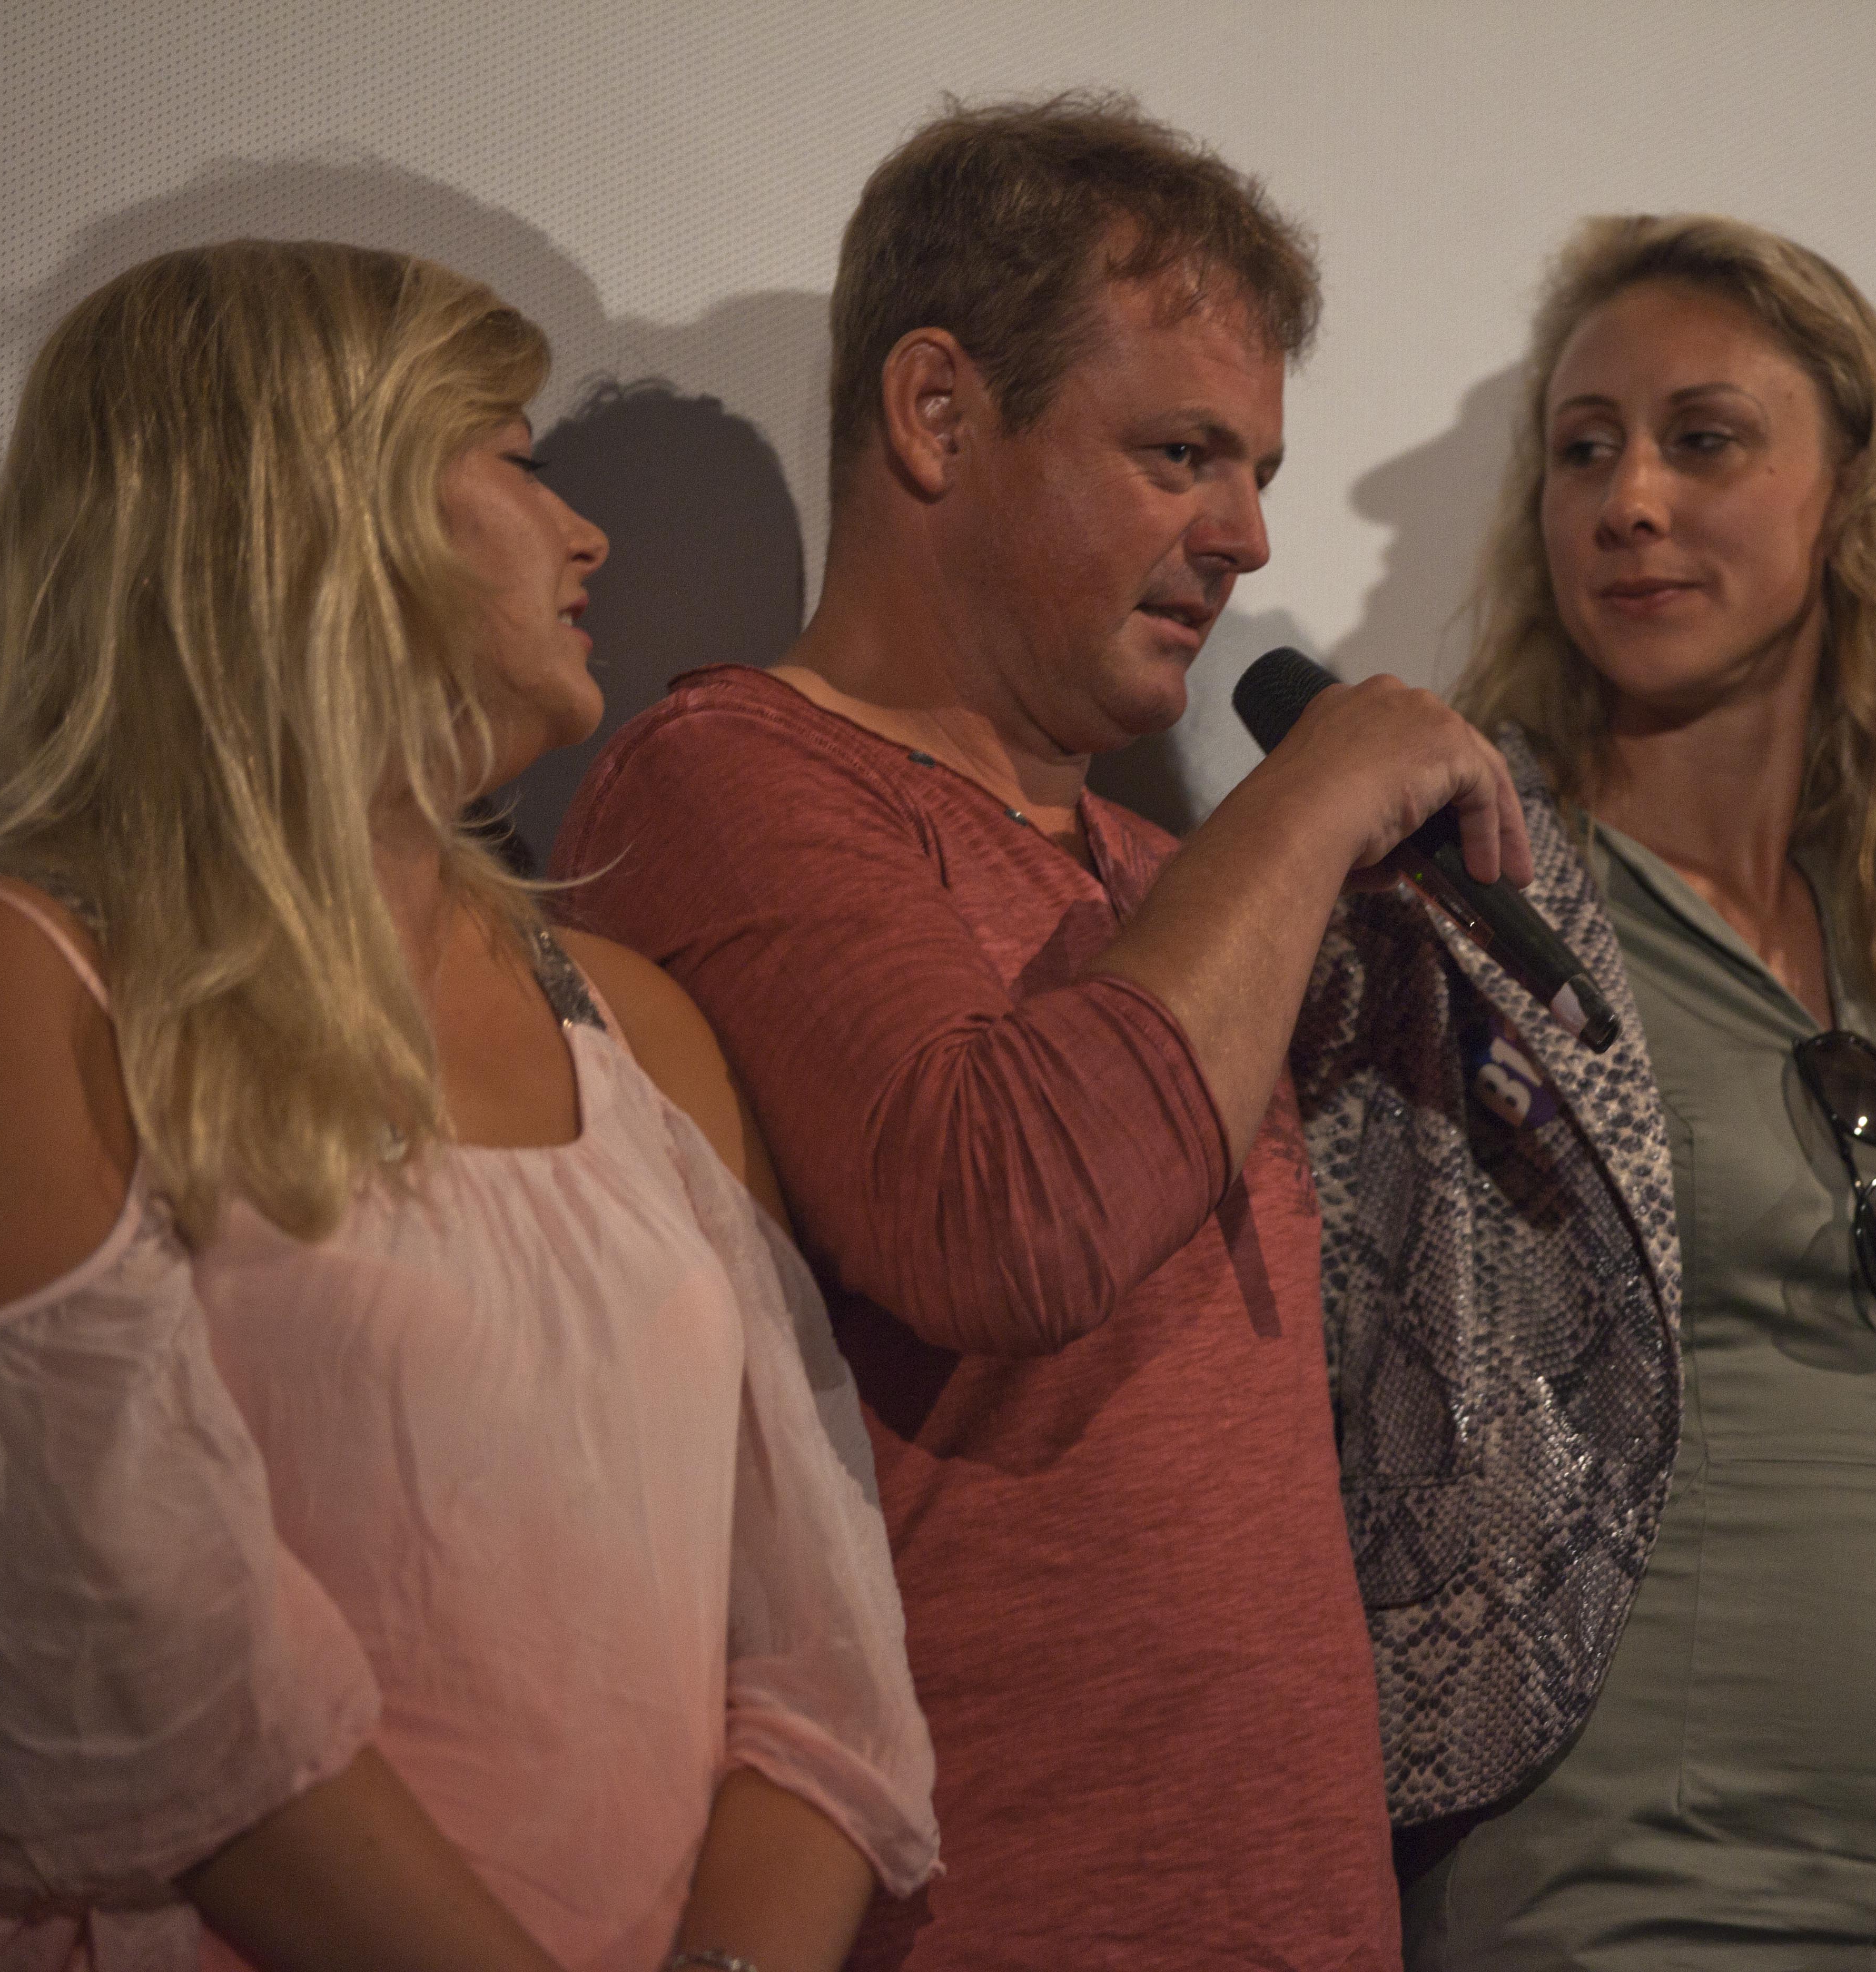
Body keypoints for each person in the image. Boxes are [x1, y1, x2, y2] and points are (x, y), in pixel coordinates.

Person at [0, 240, 936, 1971]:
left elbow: (823, 1646)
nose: (587, 536)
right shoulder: (8, 984)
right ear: (306, 512)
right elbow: (153, 1690)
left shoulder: (632, 1028)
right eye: (518, 461)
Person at [552, 95, 1528, 1971]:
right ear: (937, 413)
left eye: (1256, 469)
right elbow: (997, 1219)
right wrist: (1313, 798)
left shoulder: (1172, 877)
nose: (1246, 536)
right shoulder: (732, 779)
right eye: (1179, 453)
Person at [1292, 214, 1876, 1971]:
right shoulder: (1443, 910)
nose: (1630, 501)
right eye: (1585, 451)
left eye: (1702, 440)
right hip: (1606, 1898)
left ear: (1850, 496)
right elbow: (1329, 1389)